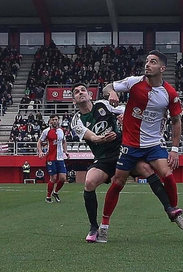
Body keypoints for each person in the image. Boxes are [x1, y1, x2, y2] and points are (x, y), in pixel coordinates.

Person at [98, 51, 183, 239]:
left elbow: (176, 121)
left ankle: (173, 211)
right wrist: (113, 92)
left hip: (153, 144)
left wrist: (174, 149)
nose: (147, 65)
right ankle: (104, 224)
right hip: (130, 145)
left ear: (162, 68)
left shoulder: (169, 93)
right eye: (147, 61)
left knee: (168, 174)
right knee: (118, 183)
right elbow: (107, 87)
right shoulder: (133, 82)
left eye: (153, 62)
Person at [68, 85, 174, 243]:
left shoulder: (103, 104)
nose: (80, 93)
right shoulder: (76, 120)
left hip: (124, 152)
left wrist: (125, 119)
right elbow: (92, 137)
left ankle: (169, 208)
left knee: (146, 169)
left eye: (83, 90)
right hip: (104, 158)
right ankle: (93, 227)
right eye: (76, 92)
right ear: (74, 100)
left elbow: (129, 111)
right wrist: (101, 138)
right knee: (89, 182)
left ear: (89, 94)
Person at [37, 116, 69, 203]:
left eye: (56, 119)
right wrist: (40, 151)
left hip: (60, 158)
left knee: (63, 178)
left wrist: (66, 151)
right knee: (54, 178)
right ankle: (48, 196)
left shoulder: (61, 131)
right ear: (50, 121)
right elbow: (39, 142)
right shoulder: (46, 131)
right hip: (50, 158)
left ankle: (56, 192)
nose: (55, 121)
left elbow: (64, 141)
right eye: (53, 120)